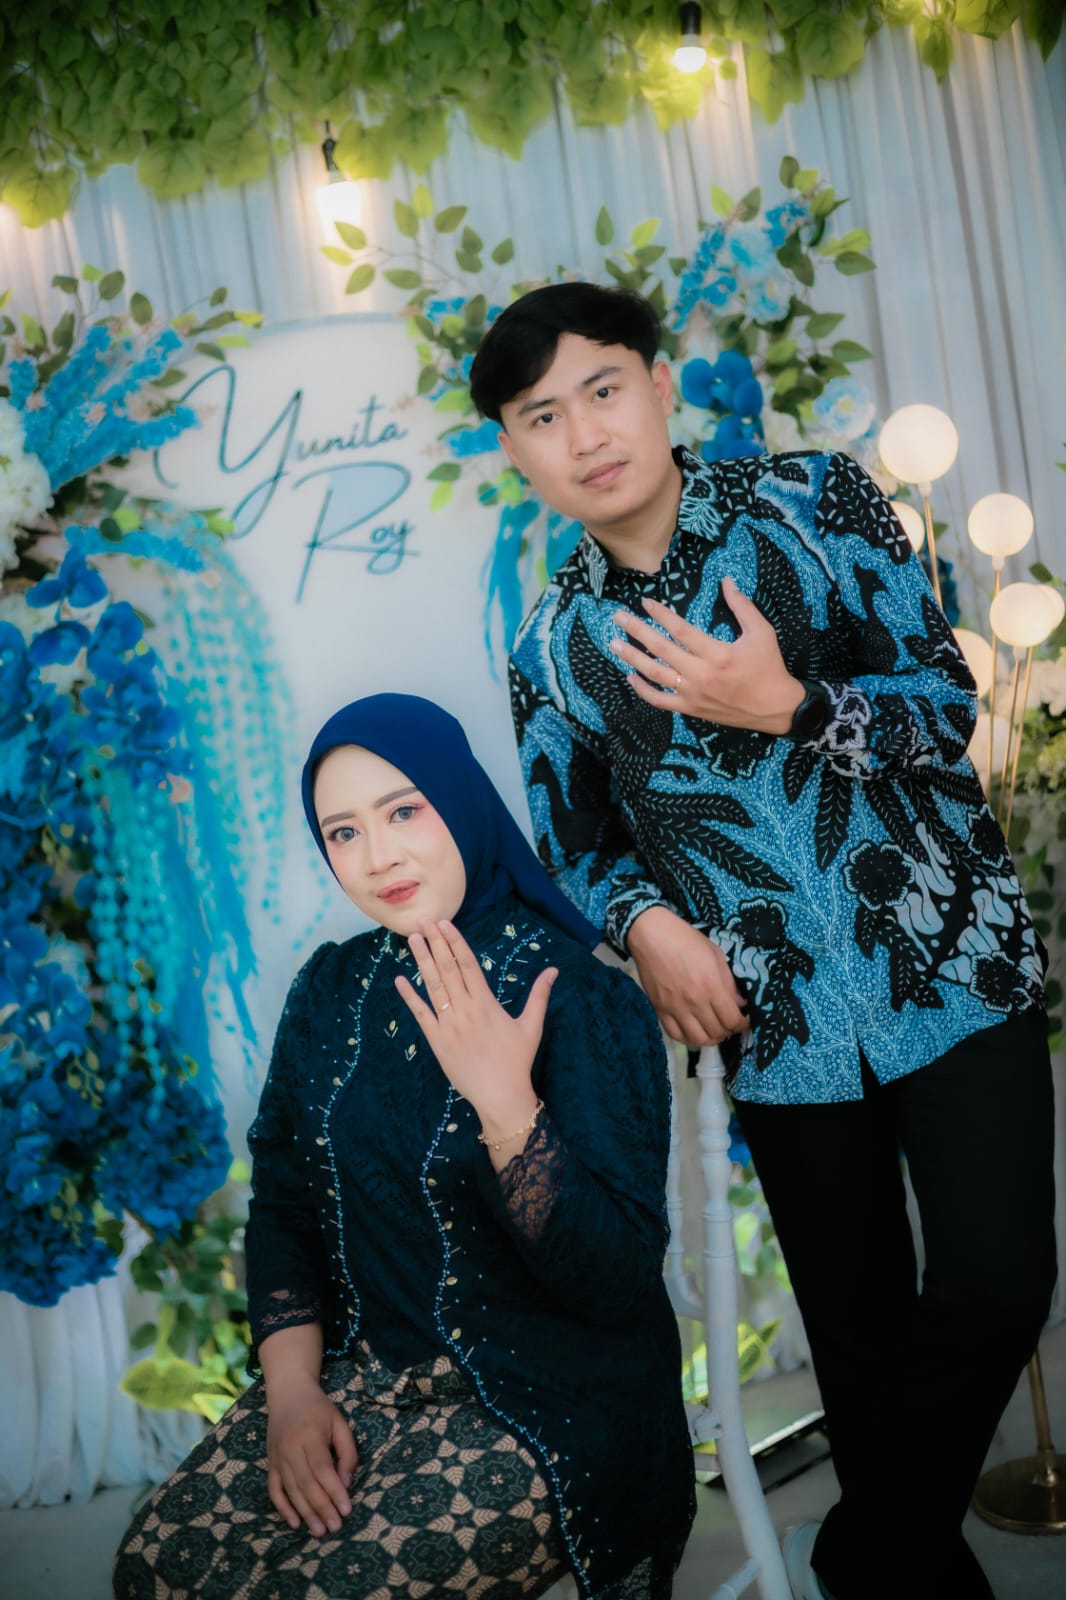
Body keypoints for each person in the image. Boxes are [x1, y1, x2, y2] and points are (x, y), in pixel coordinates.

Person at [469, 282, 1057, 1600]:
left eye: (602, 389)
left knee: (998, 1278)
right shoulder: (552, 645)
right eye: (542, 415)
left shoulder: (815, 499)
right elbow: (577, 844)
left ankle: (857, 1552)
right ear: (513, 448)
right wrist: (644, 927)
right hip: (774, 1022)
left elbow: (945, 707)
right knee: (859, 1344)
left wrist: (792, 704)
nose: (584, 433)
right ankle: (912, 1579)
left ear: (657, 384)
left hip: (947, 957)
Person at [113, 692, 694, 1600]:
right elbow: (285, 1205)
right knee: (155, 1566)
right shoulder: (329, 987)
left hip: (548, 1403)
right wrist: (293, 1395)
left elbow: (615, 1285)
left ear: (458, 798)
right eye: (342, 832)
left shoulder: (580, 997)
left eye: (403, 811)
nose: (377, 856)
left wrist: (507, 1107)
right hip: (360, 1380)